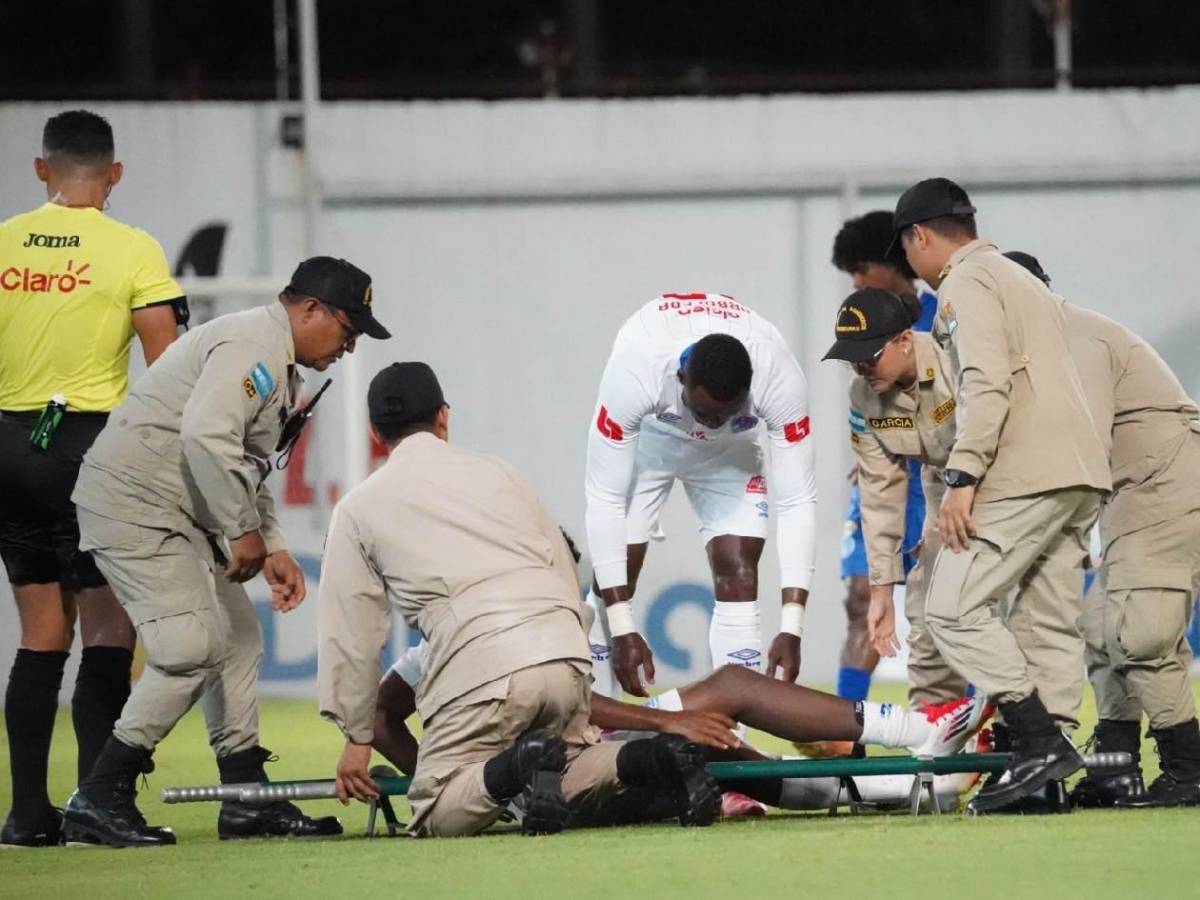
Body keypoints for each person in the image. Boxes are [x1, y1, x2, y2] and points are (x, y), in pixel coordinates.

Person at [61, 256, 390, 847]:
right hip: (137, 506)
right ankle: (99, 795)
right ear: (310, 309)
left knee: (239, 640)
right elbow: (206, 438)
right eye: (349, 328)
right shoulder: (253, 347)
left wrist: (272, 545)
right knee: (190, 648)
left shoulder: (272, 354)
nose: (350, 344)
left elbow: (240, 460)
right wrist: (243, 532)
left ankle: (245, 798)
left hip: (177, 510)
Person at [317, 362, 721, 838]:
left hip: (481, 663)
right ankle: (654, 755)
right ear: (443, 417)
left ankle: (517, 766)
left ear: (373, 431)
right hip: (562, 650)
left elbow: (352, 631)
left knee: (437, 807)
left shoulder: (359, 507)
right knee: (572, 764)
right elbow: (561, 569)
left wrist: (356, 738)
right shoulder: (502, 474)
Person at [893, 178, 1111, 813]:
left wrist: (963, 477)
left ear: (921, 236)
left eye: (908, 249)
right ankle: (1045, 782)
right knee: (1047, 617)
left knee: (951, 609)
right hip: (1078, 472)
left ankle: (1038, 742)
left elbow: (985, 384)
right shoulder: (1025, 281)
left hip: (1027, 471)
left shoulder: (964, 284)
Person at [0, 110, 184, 847]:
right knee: (109, 624)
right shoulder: (134, 249)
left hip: (9, 443)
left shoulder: (4, 241)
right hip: (90, 445)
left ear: (41, 169)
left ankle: (26, 813)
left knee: (42, 630)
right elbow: (166, 371)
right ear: (115, 175)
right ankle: (98, 806)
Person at [375, 638, 991, 817]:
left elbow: (580, 708)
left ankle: (902, 777)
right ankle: (913, 733)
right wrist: (451, 783)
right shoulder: (451, 641)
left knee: (720, 726)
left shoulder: (525, 616)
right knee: (726, 694)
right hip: (568, 763)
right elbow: (379, 717)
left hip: (582, 751)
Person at [1006, 252, 1200, 809]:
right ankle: (1117, 767)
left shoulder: (1075, 343)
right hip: (1132, 493)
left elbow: (1076, 445)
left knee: (1142, 632)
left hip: (1165, 486)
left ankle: (1189, 769)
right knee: (1100, 627)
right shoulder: (1042, 347)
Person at [584, 293, 816, 700]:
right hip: (653, 439)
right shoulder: (637, 370)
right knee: (619, 571)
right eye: (704, 413)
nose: (709, 425)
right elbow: (603, 497)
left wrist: (791, 626)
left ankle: (729, 737)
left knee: (740, 570)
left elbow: (797, 501)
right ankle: (597, 729)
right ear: (680, 380)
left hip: (733, 447)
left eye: (722, 414)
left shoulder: (778, 377)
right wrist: (623, 629)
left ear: (749, 390)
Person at [821, 288, 968, 709]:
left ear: (905, 339)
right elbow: (880, 492)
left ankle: (1008, 734)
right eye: (852, 358)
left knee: (975, 612)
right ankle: (936, 743)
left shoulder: (955, 361)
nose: (861, 367)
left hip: (1003, 484)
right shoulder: (864, 398)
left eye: (870, 354)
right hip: (942, 487)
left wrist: (966, 492)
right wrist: (883, 590)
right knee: (922, 617)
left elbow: (997, 436)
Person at [828, 211, 939, 714]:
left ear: (889, 261)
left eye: (859, 267)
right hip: (886, 477)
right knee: (859, 597)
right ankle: (844, 725)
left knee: (947, 606)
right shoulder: (860, 325)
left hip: (944, 481)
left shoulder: (945, 318)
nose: (854, 281)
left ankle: (974, 723)